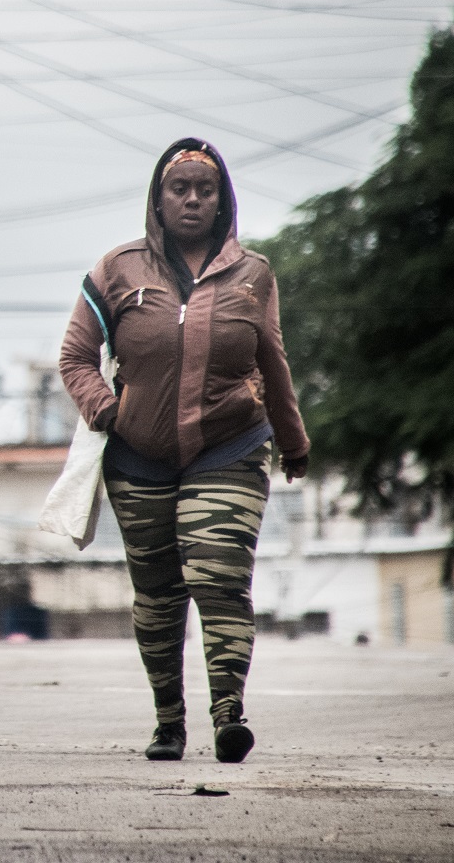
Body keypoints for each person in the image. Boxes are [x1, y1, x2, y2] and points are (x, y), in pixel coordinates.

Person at [59, 138, 308, 766]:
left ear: (223, 201)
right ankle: (169, 721)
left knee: (220, 579)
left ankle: (229, 715)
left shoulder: (253, 274)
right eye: (180, 188)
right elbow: (75, 356)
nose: (193, 199)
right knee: (159, 595)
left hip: (229, 447)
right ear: (158, 199)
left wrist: (293, 440)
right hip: (137, 458)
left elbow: (273, 363)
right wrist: (107, 410)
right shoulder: (116, 271)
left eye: (206, 189)